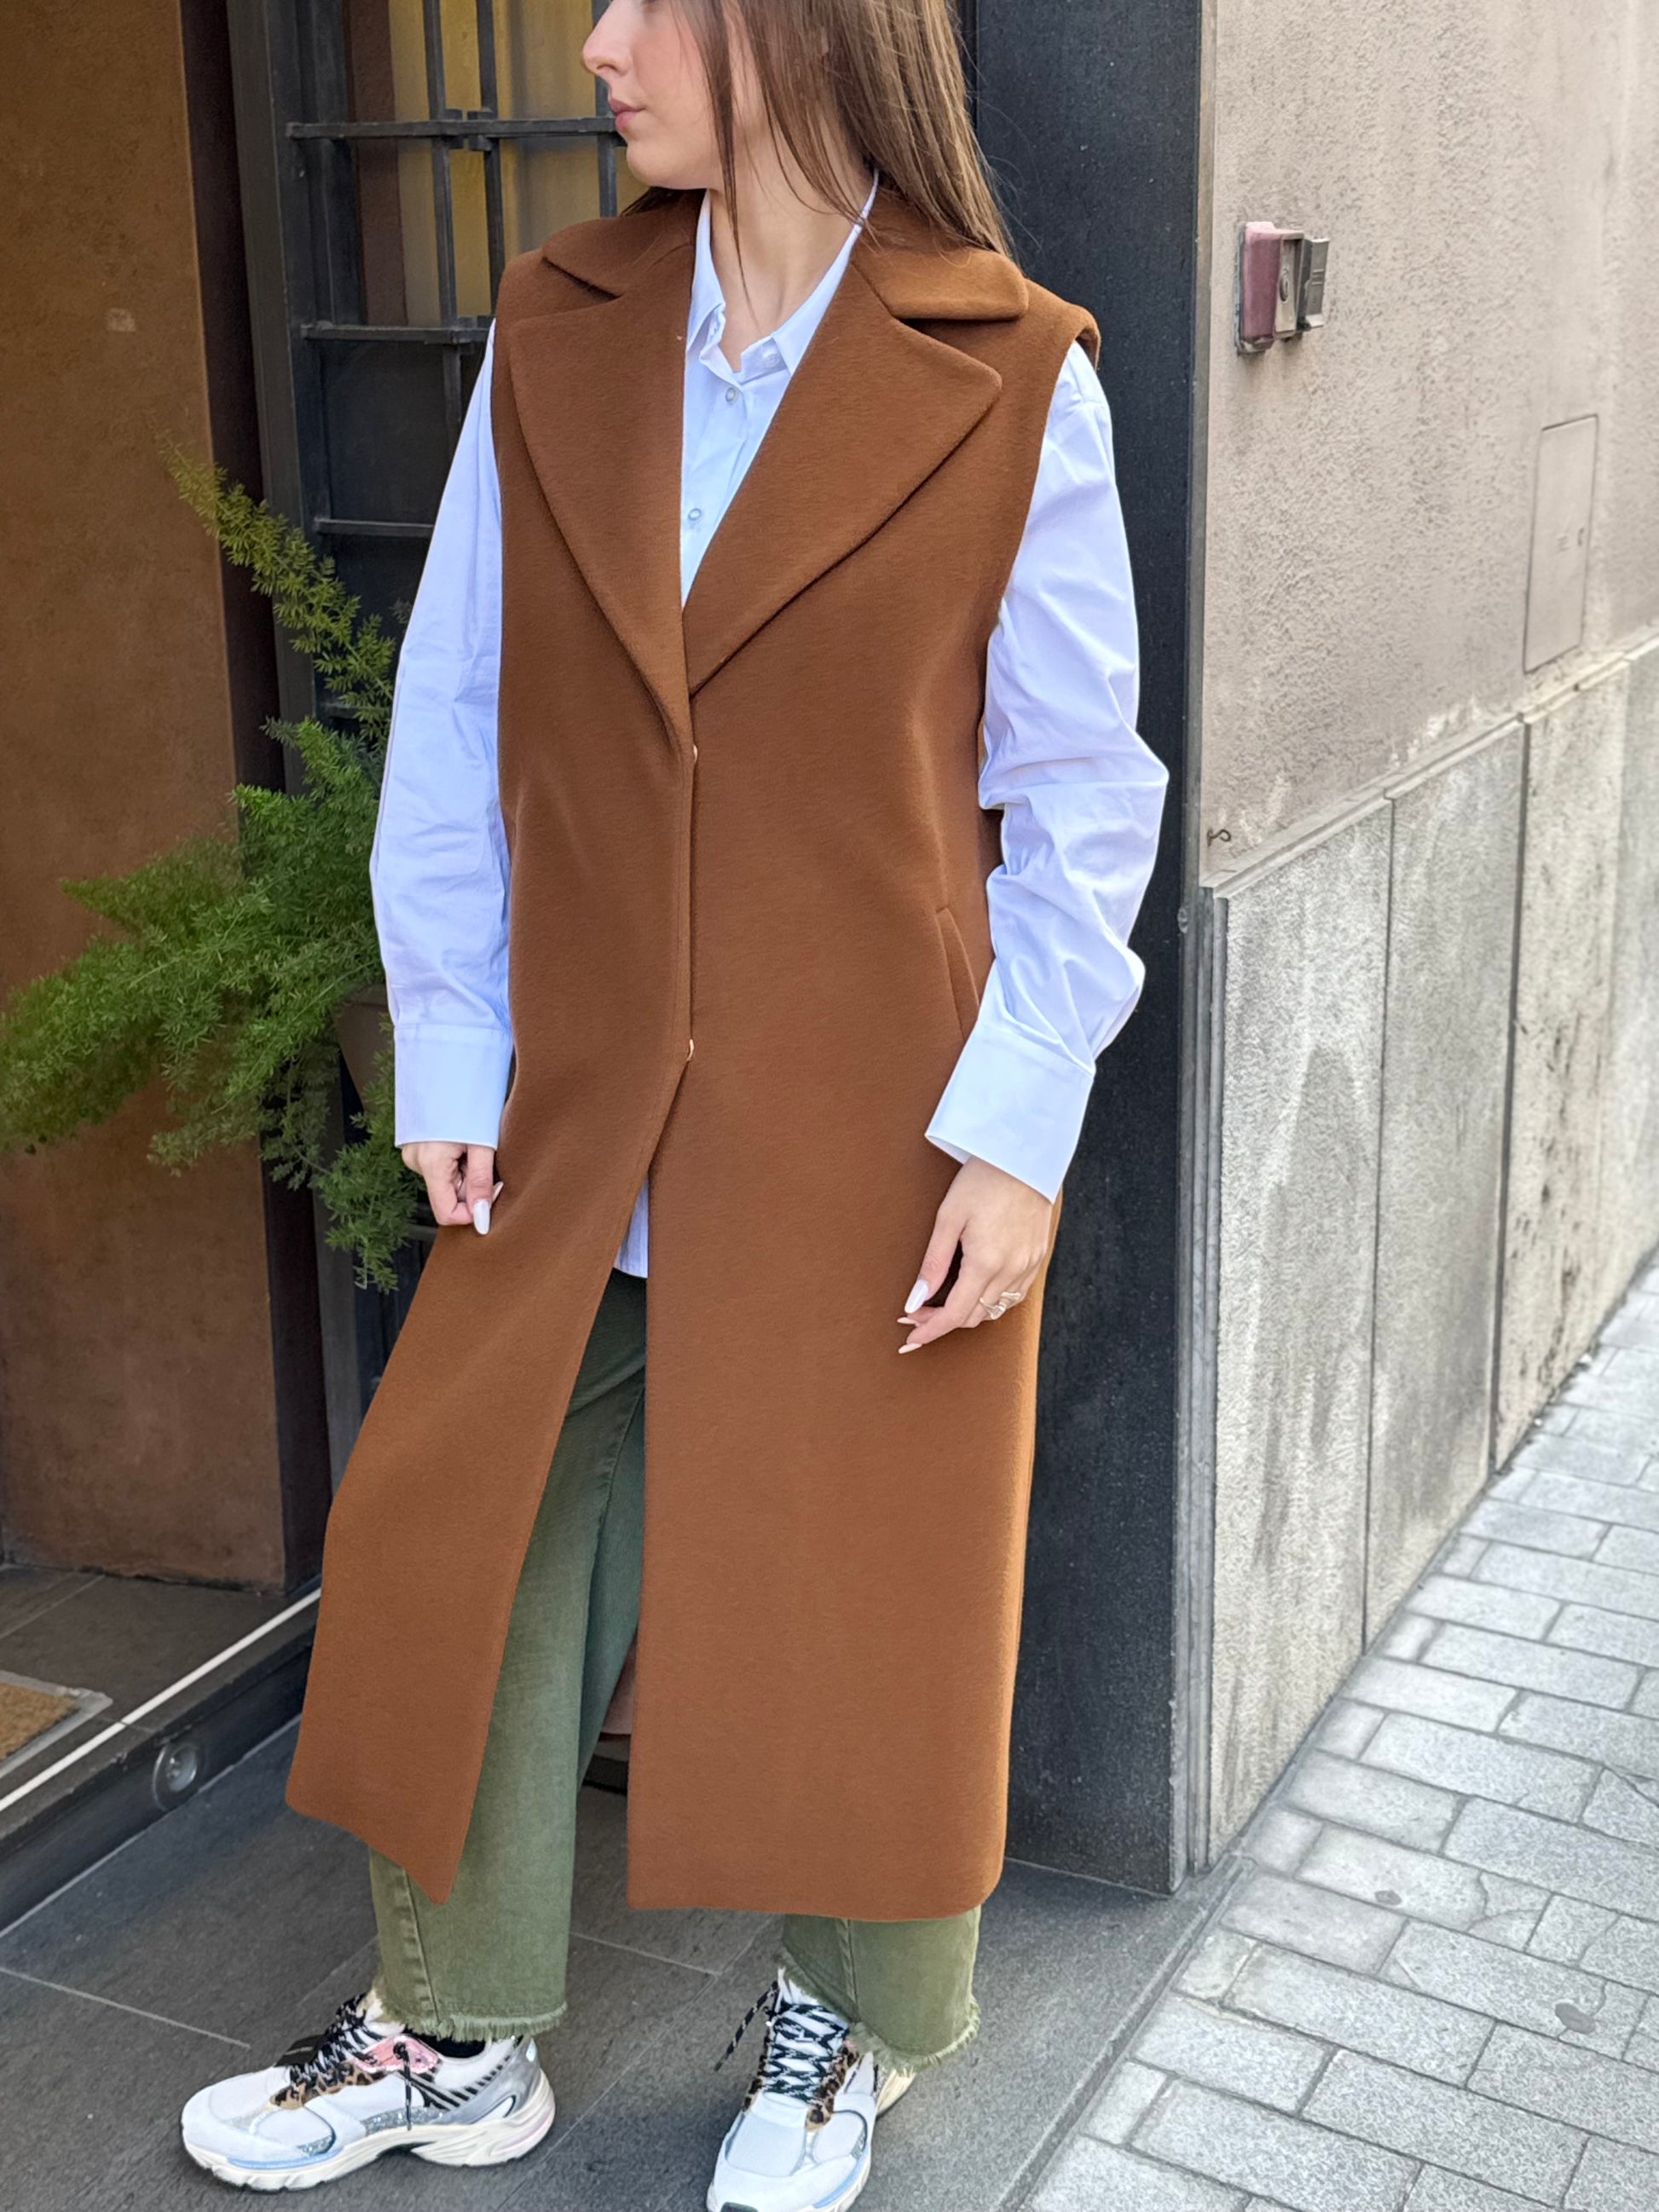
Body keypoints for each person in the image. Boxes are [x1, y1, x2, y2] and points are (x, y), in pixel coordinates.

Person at [180, 0, 1167, 2203]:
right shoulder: (562, 326)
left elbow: (1083, 801)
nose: (600, 42)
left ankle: (849, 2028)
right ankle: (452, 2032)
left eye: (653, 0)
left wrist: (1017, 1132)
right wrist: (452, 1036)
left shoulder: (1014, 373)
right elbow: (454, 708)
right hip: (581, 1100)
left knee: (876, 1569)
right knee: (470, 1526)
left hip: (882, 1116)